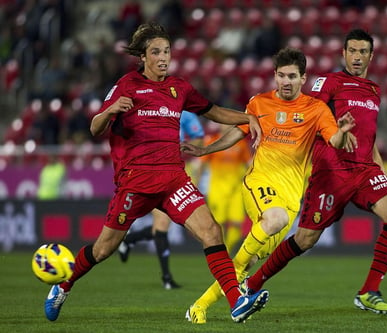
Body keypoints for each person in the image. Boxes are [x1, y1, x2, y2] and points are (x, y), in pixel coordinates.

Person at [43, 22, 269, 324]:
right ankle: (65, 283)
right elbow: (95, 128)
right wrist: (110, 111)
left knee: (211, 231)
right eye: (156, 52)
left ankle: (236, 302)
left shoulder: (179, 88)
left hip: (173, 179)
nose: (164, 57)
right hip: (135, 182)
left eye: (167, 51)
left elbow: (213, 110)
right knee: (103, 248)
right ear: (143, 57)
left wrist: (248, 118)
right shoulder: (126, 86)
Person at [182, 47, 356, 324]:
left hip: (290, 198)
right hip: (259, 183)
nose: (286, 82)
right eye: (281, 76)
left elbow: (334, 140)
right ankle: (239, 293)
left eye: (292, 76)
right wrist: (207, 151)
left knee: (245, 263)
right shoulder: (259, 103)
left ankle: (199, 308)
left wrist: (343, 133)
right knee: (273, 219)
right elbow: (237, 134)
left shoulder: (315, 109)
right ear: (274, 76)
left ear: (303, 78)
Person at [242, 29, 387, 315]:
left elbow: (370, 136)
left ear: (371, 55)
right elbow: (308, 111)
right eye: (352, 51)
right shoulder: (328, 82)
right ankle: (253, 283)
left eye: (362, 52)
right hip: (331, 170)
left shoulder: (374, 91)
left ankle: (369, 291)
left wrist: (382, 169)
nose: (357, 57)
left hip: (365, 170)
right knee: (306, 239)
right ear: (343, 54)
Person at [117, 110, 205, 290]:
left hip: (176, 171)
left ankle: (129, 239)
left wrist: (182, 147)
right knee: (163, 223)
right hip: (150, 171)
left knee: (164, 225)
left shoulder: (185, 114)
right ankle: (166, 278)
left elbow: (199, 139)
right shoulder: (147, 110)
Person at [200, 122, 251, 255]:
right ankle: (220, 252)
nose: (225, 126)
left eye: (228, 123)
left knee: (236, 223)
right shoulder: (212, 141)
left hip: (236, 189)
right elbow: (202, 164)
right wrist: (197, 183)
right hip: (217, 189)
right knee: (218, 223)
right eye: (223, 123)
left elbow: (248, 165)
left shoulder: (241, 143)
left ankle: (227, 250)